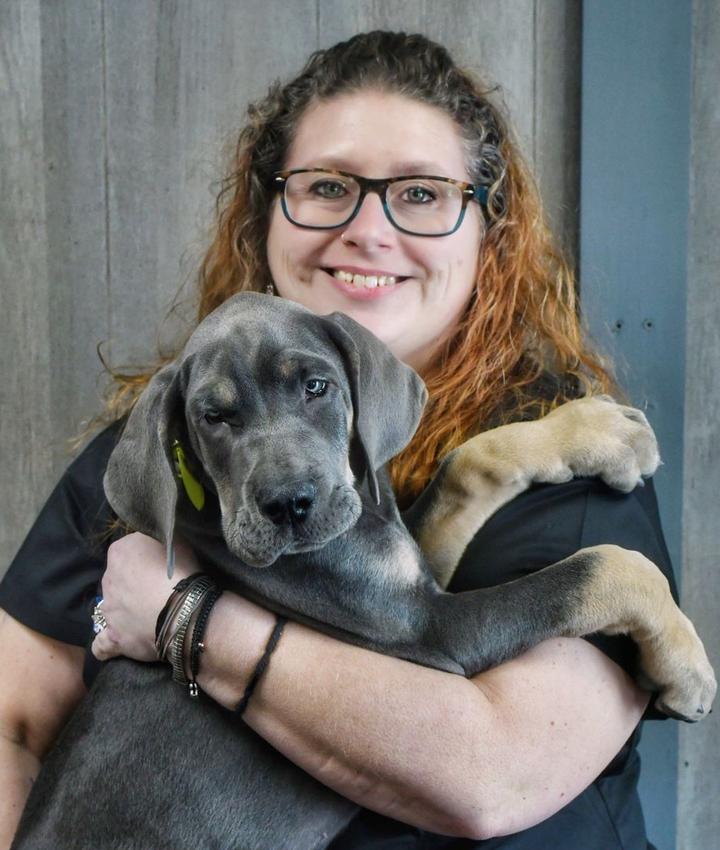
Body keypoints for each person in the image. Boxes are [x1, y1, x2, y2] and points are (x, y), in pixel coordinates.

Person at [0, 31, 676, 849]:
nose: (368, 228)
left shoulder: (568, 464)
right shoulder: (157, 443)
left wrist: (188, 619)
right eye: (327, 187)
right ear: (267, 216)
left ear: (489, 232)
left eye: (420, 193)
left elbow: (493, 777)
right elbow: (15, 728)